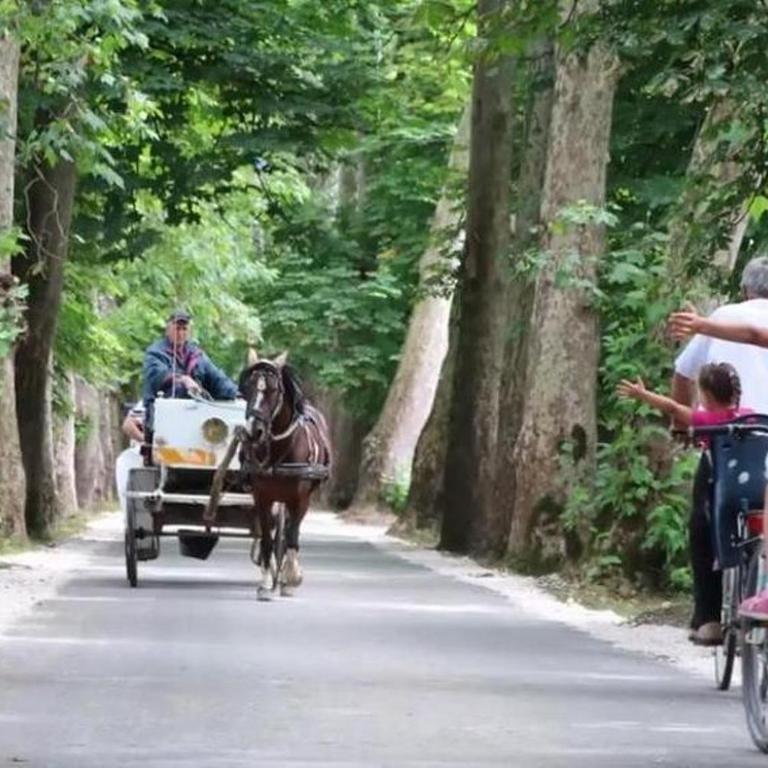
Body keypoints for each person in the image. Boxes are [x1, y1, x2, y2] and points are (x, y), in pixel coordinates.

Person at [666, 256, 768, 645]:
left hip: (730, 437)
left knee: (704, 518)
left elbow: (682, 372)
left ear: (745, 290)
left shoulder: (726, 314)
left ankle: (708, 618)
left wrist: (681, 425)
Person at [142, 309, 239, 430]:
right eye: (177, 328)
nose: (181, 333)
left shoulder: (196, 354)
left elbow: (217, 378)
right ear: (168, 330)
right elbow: (157, 375)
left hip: (196, 421)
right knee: (179, 389)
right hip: (161, 419)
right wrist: (183, 379)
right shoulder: (155, 353)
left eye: (184, 329)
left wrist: (236, 394)